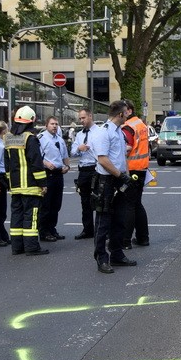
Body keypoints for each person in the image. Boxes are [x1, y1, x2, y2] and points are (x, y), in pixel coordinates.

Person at [90, 100, 137, 274]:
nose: (128, 115)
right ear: (120, 114)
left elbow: (121, 156)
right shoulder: (104, 132)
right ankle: (101, 258)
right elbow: (102, 159)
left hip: (119, 178)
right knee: (103, 222)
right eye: (126, 113)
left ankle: (117, 254)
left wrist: (127, 175)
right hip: (107, 180)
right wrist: (121, 175)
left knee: (120, 219)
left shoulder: (119, 132)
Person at [4, 105, 49, 256]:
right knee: (31, 216)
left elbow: (7, 164)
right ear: (31, 121)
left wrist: (10, 183)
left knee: (16, 216)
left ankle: (17, 247)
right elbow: (36, 163)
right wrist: (43, 184)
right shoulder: (30, 138)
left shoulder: (8, 138)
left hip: (15, 187)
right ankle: (32, 247)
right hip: (30, 186)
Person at [121, 99, 151, 248]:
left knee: (129, 206)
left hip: (131, 169)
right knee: (137, 204)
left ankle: (125, 241)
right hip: (141, 169)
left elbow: (126, 148)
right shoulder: (141, 124)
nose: (121, 113)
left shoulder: (128, 127)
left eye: (123, 110)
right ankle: (142, 238)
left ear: (129, 111)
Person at [37, 116, 70, 241]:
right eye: (52, 124)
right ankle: (44, 231)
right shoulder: (41, 139)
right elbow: (36, 157)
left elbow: (65, 155)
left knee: (56, 204)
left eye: (56, 124)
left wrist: (67, 166)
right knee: (46, 204)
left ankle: (52, 229)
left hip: (58, 173)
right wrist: (46, 163)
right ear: (46, 125)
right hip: (47, 173)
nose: (54, 126)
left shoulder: (60, 139)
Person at [70, 108, 97, 240]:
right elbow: (73, 152)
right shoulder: (80, 134)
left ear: (90, 116)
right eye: (80, 119)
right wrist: (79, 149)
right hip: (83, 170)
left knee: (99, 200)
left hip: (96, 168)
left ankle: (102, 229)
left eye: (83, 118)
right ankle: (87, 230)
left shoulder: (99, 132)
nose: (81, 121)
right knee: (84, 201)